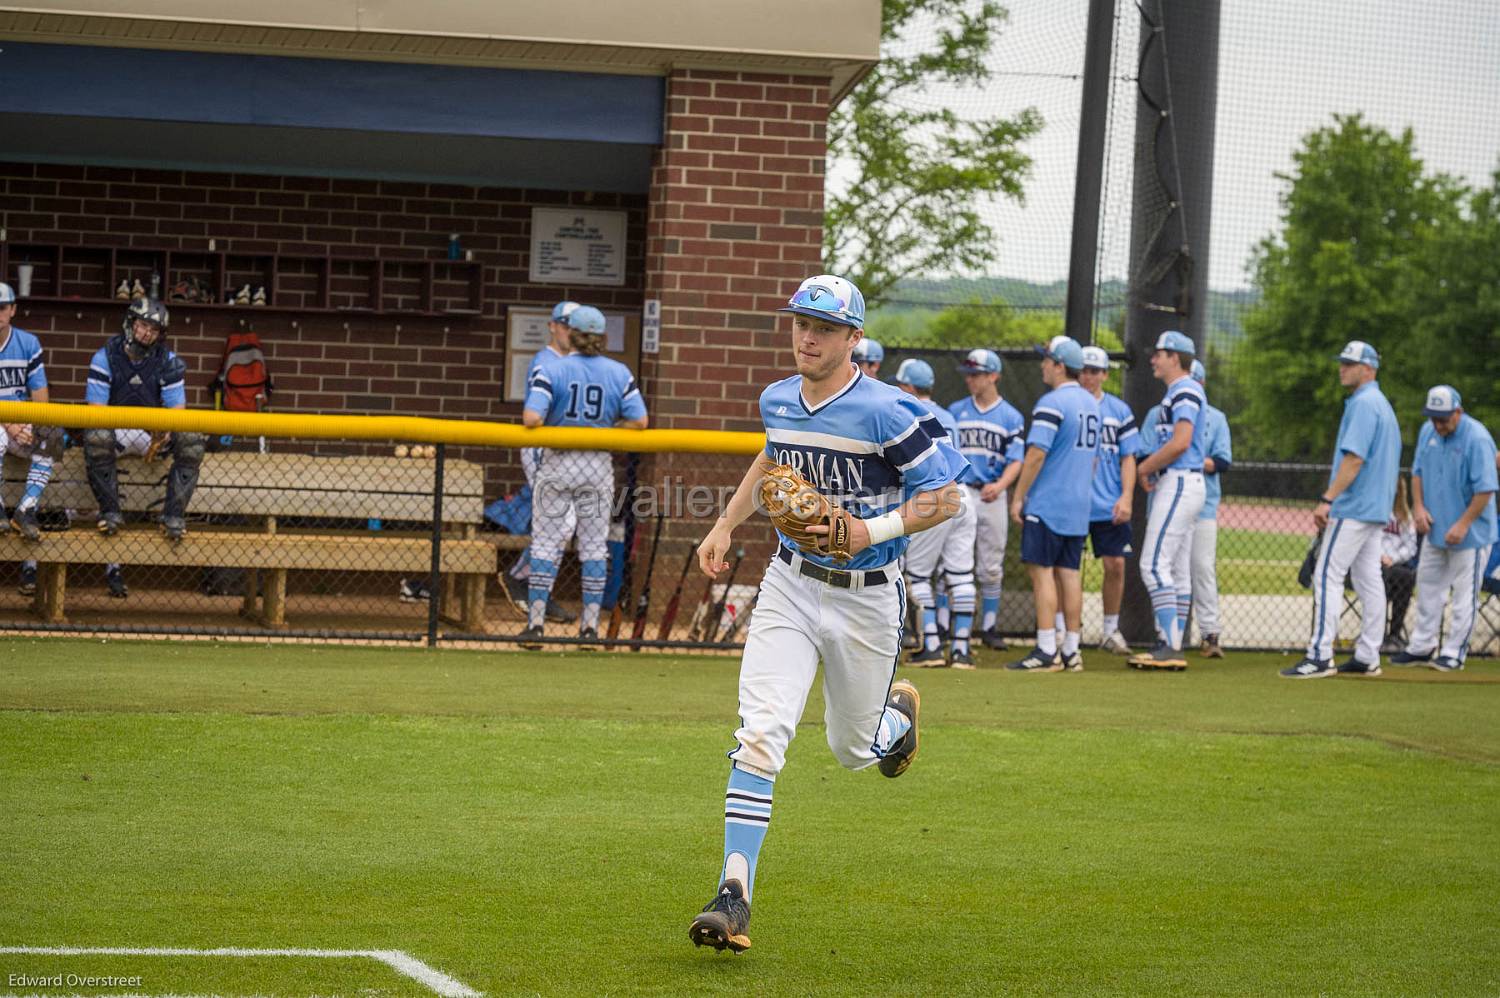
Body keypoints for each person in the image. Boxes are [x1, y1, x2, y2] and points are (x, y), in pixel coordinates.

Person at [689, 274, 966, 953]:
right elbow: (770, 459)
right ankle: (734, 895)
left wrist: (869, 531)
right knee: (761, 734)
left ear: (853, 339)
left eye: (823, 327)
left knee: (850, 749)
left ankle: (896, 722)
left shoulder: (884, 412)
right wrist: (724, 525)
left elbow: (947, 498)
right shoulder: (777, 398)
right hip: (789, 584)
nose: (806, 335)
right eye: (799, 322)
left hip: (868, 595)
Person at [1281, 341, 1400, 678]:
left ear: (1369, 368)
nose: (1342, 368)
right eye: (1343, 362)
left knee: (1326, 575)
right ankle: (1367, 656)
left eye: (1350, 363)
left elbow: (1354, 458)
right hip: (1375, 507)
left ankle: (1319, 655)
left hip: (1354, 505)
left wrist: (1329, 498)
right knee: (1368, 580)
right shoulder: (1382, 404)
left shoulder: (1364, 404)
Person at [84, 297, 206, 597]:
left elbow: (178, 410)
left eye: (153, 329)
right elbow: (95, 410)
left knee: (191, 440)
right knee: (96, 437)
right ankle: (110, 512)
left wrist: (164, 429)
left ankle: (173, 516)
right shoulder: (105, 355)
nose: (146, 334)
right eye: (142, 325)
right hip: (116, 431)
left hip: (153, 433)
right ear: (130, 323)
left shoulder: (168, 360)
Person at [1005, 335, 1099, 672]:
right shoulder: (1092, 403)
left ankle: (1046, 649)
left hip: (1048, 503)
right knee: (1070, 574)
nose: (1043, 365)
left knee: (1042, 573)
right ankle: (1072, 650)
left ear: (1060, 365)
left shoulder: (1052, 403)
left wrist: (1018, 497)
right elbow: (1093, 461)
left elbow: (1036, 454)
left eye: (1047, 359)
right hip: (1078, 505)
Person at [1388, 386, 1497, 673]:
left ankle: (1454, 652)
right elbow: (1418, 472)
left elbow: (1485, 488)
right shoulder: (1429, 432)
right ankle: (1422, 646)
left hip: (1471, 534)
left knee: (1464, 594)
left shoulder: (1477, 438)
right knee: (1427, 586)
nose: (1438, 424)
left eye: (1444, 418)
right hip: (1436, 529)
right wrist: (1419, 508)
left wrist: (1463, 524)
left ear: (1458, 412)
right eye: (1434, 418)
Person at [893, 358, 980, 668]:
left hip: (933, 498)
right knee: (960, 574)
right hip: (964, 495)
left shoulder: (905, 411)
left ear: (910, 387)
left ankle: (931, 645)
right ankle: (961, 650)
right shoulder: (949, 415)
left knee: (917, 575)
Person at [1129, 331, 1207, 671]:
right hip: (1183, 482)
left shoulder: (1185, 388)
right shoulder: (1180, 390)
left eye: (1159, 353)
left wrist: (1144, 467)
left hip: (1179, 480)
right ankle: (1169, 642)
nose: (1153, 359)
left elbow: (1181, 442)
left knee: (1153, 564)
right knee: (1175, 568)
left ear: (1175, 357)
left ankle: (1171, 644)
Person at [502, 300, 580, 625]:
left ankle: (535, 587)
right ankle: (524, 579)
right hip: (542, 450)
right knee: (560, 523)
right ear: (552, 326)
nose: (569, 332)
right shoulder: (544, 361)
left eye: (575, 327)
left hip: (572, 454)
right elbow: (535, 414)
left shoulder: (581, 362)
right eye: (564, 324)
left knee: (564, 525)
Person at [948, 348, 1025, 650]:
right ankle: (949, 625)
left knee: (991, 565)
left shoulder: (1010, 416)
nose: (970, 380)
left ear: (993, 376)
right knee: (953, 560)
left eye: (977, 374)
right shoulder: (956, 410)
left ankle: (989, 627)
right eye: (968, 374)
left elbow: (1016, 458)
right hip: (963, 491)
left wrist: (1003, 483)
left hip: (992, 493)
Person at [1077, 346, 1139, 654]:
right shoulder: (1069, 404)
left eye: (1094, 371)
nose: (1088, 376)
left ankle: (1110, 630)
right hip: (1073, 501)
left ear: (1105, 374)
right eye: (1084, 370)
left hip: (1108, 503)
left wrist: (1126, 497)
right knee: (1067, 568)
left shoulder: (1119, 411)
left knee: (1115, 564)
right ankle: (1067, 632)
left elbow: (1129, 457)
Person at [0, 281, 63, 556]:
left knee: (51, 435)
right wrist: (11, 425)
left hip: (19, 421)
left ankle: (25, 509)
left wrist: (36, 425)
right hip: (2, 426)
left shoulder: (28, 343)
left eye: (2, 307)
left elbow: (40, 395)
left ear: (13, 309)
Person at [1189, 359, 1233, 658]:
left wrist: (1187, 460)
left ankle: (1210, 633)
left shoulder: (1216, 418)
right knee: (1165, 568)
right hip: (1165, 503)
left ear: (1202, 384)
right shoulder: (1158, 414)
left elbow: (1222, 461)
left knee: (1202, 567)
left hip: (1203, 504)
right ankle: (1166, 634)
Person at [1379, 475, 1419, 653]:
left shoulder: (1405, 516)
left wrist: (1392, 559)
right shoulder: (1375, 510)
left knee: (1407, 578)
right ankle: (1377, 632)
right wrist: (1379, 556)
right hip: (1374, 562)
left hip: (1395, 564)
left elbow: (1410, 547)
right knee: (1384, 577)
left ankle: (1394, 634)